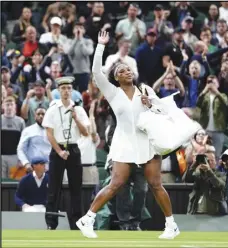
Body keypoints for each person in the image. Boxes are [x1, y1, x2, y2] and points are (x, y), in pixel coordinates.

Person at [76, 31, 180, 239]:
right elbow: (96, 72)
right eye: (123, 70)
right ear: (116, 77)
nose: (128, 72)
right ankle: (87, 219)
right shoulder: (112, 93)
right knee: (115, 183)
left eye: (129, 69)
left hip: (146, 142)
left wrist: (150, 104)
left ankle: (171, 225)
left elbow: (164, 112)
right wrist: (101, 46)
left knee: (155, 184)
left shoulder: (145, 90)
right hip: (124, 142)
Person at [42, 76, 90, 230]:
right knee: (54, 189)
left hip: (73, 149)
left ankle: (76, 224)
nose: (66, 91)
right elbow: (49, 133)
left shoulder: (79, 109)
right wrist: (59, 151)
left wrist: (76, 118)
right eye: (63, 88)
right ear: (58, 90)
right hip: (57, 150)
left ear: (72, 90)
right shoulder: (52, 109)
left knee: (76, 188)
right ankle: (51, 223)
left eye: (69, 88)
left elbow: (86, 132)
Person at [17, 107, 51, 172]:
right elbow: (20, 149)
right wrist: (26, 163)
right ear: (35, 116)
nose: (41, 116)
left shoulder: (52, 131)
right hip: (32, 168)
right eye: (38, 114)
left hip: (49, 169)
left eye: (43, 114)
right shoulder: (28, 130)